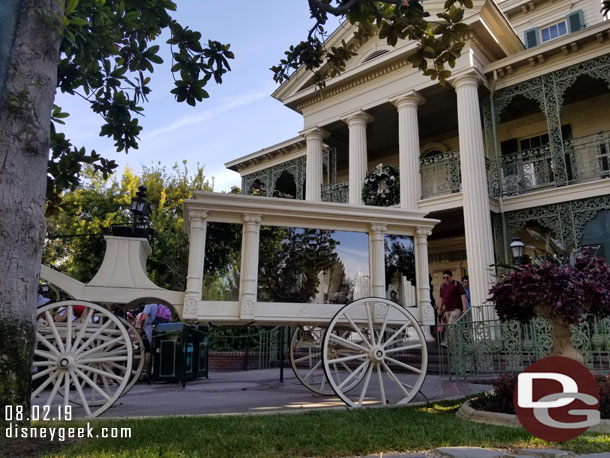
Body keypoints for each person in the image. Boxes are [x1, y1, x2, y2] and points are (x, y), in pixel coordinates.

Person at [439, 270, 467, 347]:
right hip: (447, 309)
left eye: (447, 277)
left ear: (451, 277)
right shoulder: (442, 286)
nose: (445, 279)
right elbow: (442, 298)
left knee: (451, 325)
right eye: (443, 277)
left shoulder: (456, 284)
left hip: (456, 308)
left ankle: (446, 342)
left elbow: (463, 295)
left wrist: (464, 308)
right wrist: (440, 309)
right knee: (451, 326)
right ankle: (455, 343)